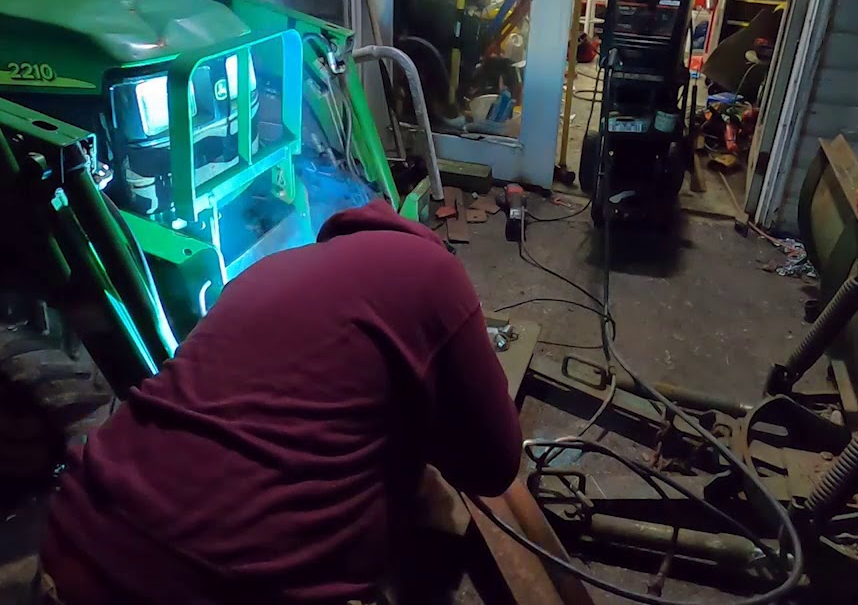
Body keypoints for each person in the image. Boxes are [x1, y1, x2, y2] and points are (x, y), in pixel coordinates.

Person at [38, 199, 523, 605]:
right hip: (209, 583)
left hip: (68, 535)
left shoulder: (268, 270)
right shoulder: (434, 269)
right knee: (429, 503)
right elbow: (495, 466)